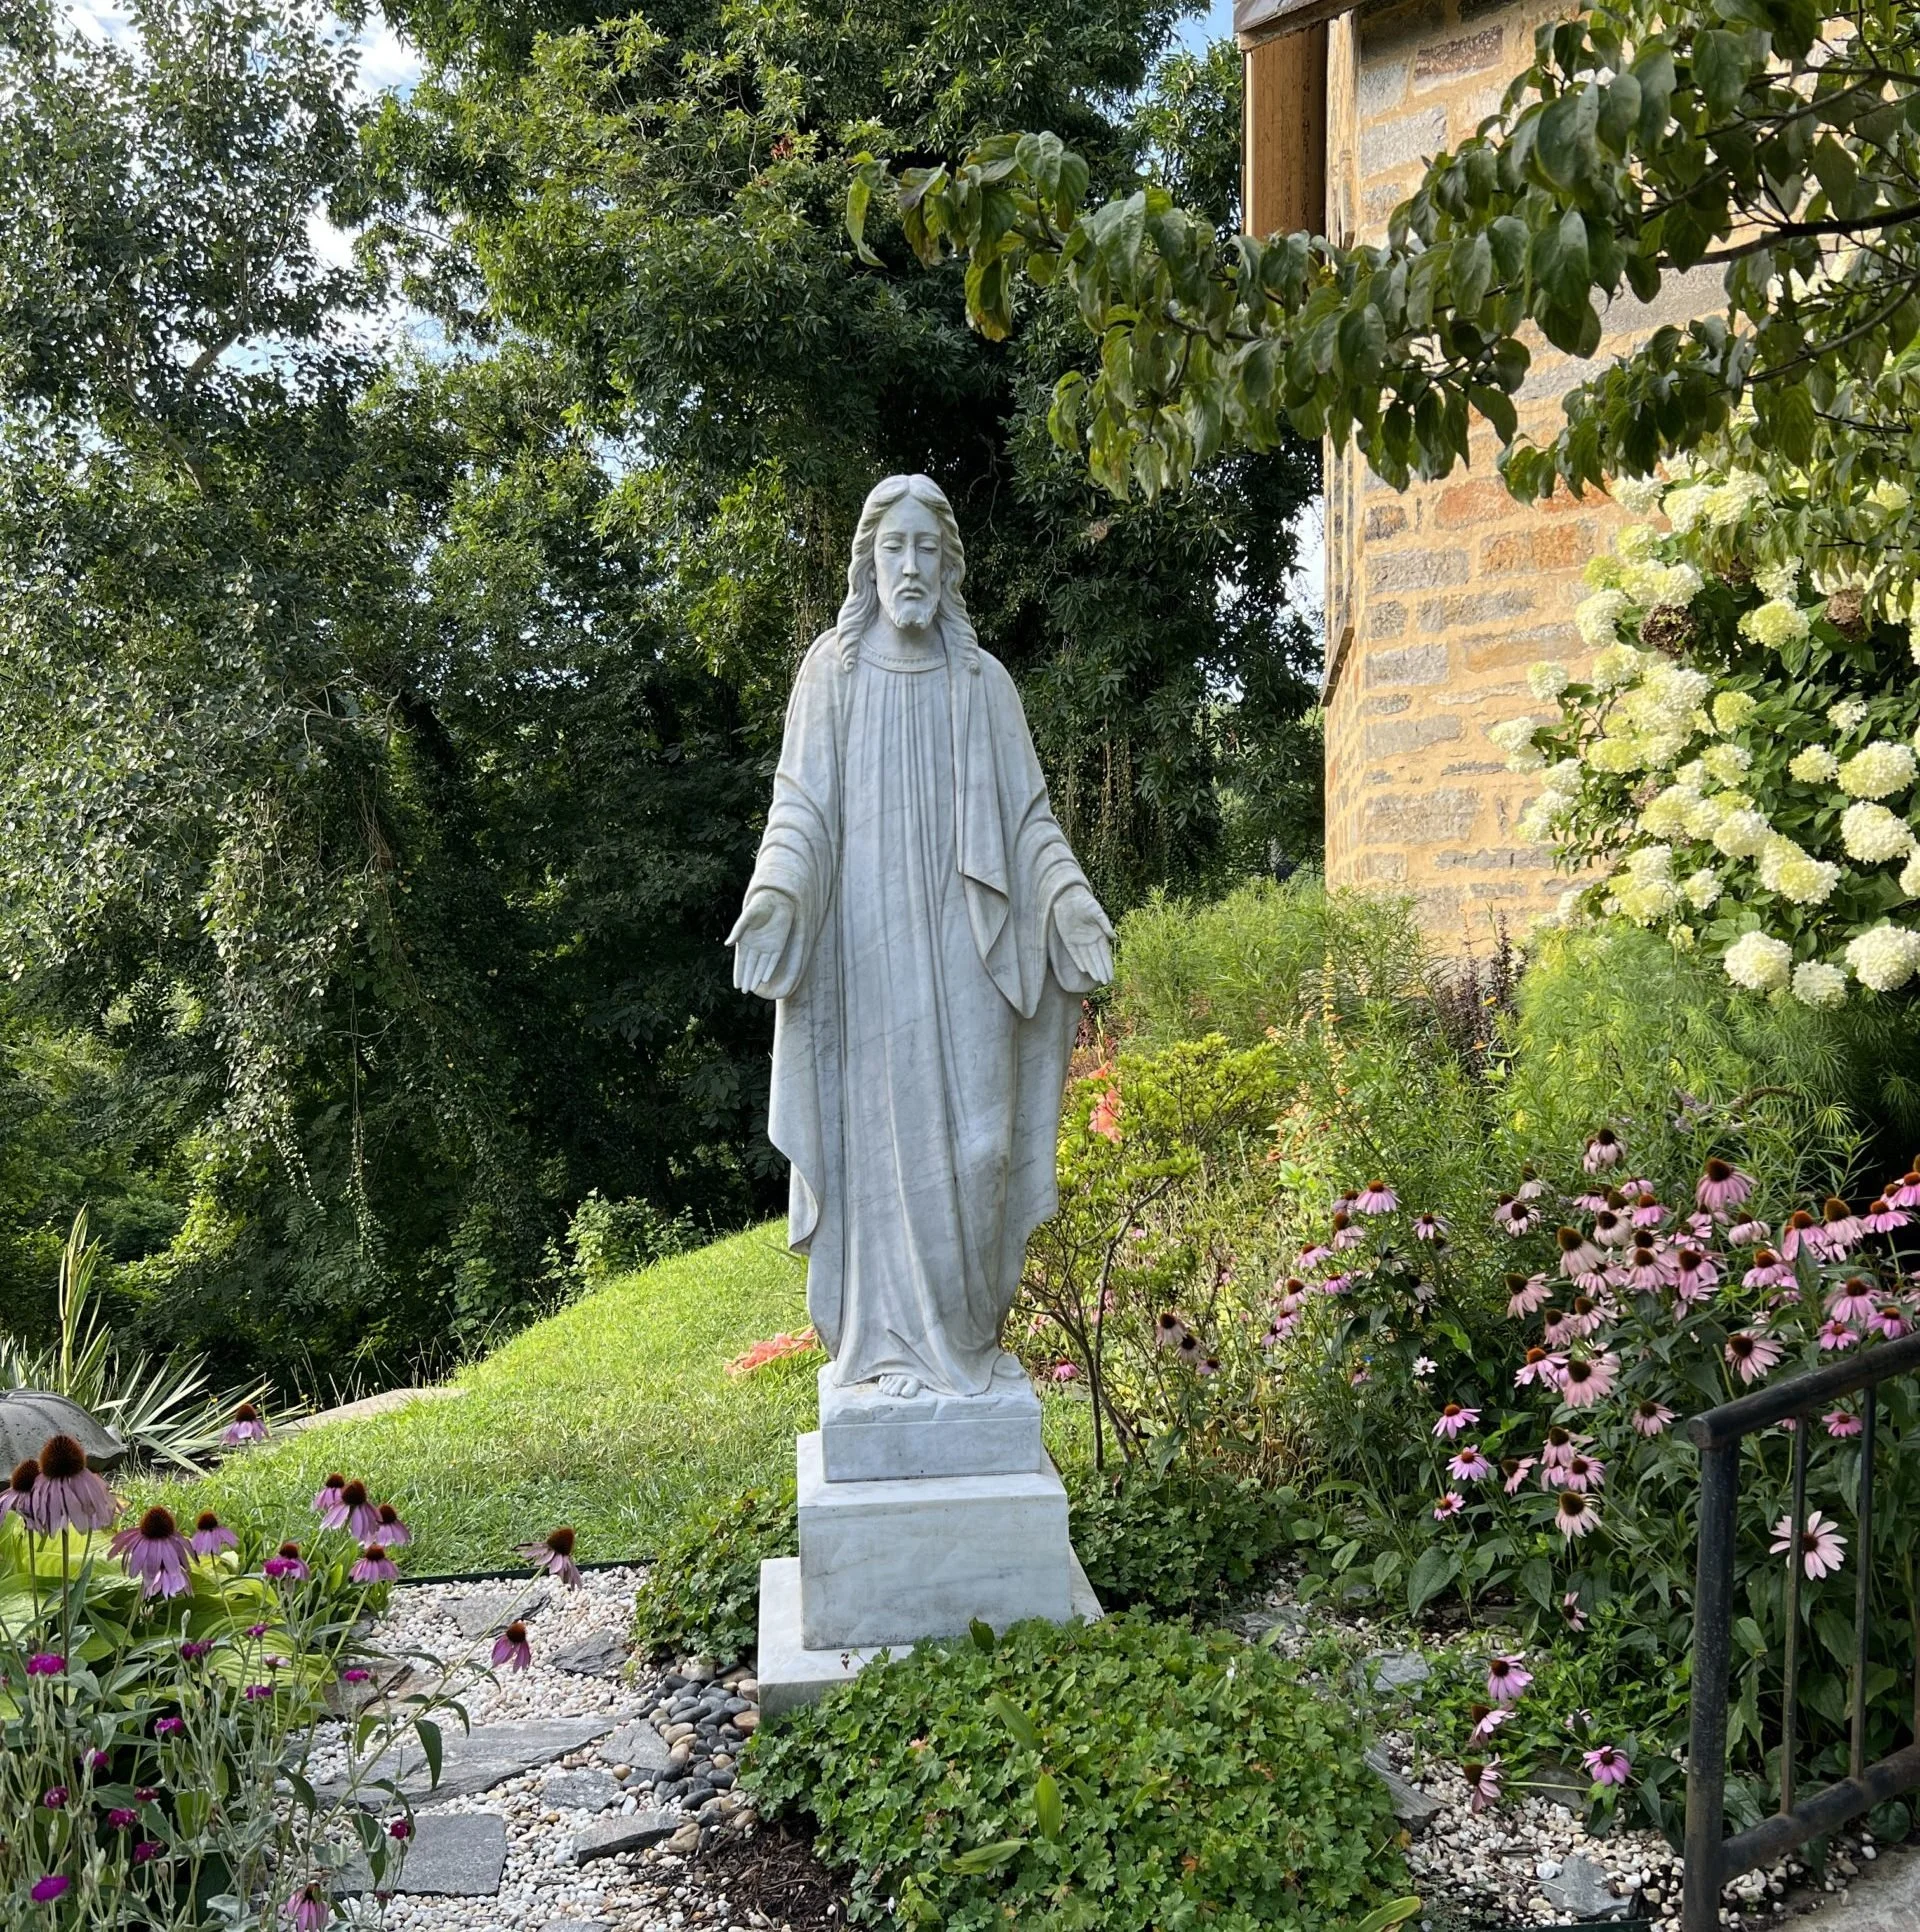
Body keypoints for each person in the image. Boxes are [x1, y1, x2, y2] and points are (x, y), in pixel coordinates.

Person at [730, 474, 1112, 1399]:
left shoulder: (985, 685)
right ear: (869, 562)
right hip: (868, 952)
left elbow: (1029, 822)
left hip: (973, 949)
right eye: (893, 548)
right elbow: (802, 810)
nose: (910, 565)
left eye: (926, 549)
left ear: (949, 567)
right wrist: (777, 893)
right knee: (873, 1153)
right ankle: (883, 1350)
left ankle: (967, 1346)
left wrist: (1066, 899)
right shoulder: (833, 672)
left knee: (983, 1150)